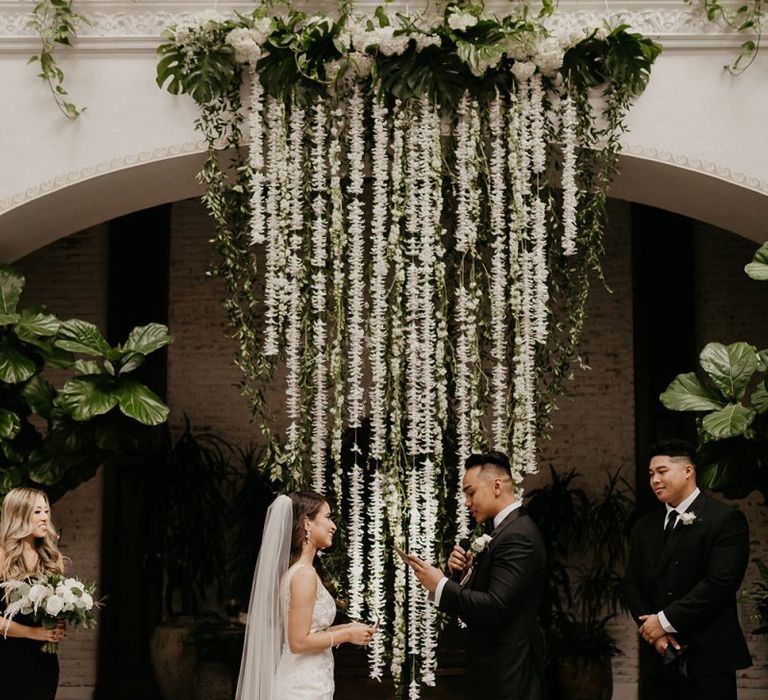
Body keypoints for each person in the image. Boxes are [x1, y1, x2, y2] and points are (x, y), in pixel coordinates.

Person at [409, 451, 547, 699]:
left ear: (496, 486)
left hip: (509, 674)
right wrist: (461, 575)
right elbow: (486, 601)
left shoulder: (518, 535)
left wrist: (440, 585)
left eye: (470, 492)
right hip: (493, 671)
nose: (466, 502)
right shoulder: (503, 530)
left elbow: (495, 607)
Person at [624, 438, 752, 700]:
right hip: (659, 655)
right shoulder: (644, 526)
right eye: (651, 474)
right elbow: (631, 583)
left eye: (662, 471)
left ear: (688, 471)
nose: (654, 480)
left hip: (709, 656)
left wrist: (664, 622)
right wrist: (654, 634)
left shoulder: (725, 519)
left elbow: (721, 582)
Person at [235, 491, 374, 700]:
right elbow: (298, 642)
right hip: (302, 689)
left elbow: (310, 629)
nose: (333, 525)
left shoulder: (302, 572)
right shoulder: (304, 575)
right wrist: (346, 636)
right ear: (307, 523)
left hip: (311, 683)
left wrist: (348, 627)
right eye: (327, 517)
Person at [0, 487, 67, 700]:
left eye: (46, 511)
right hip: (7, 662)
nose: (45, 518)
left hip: (44, 664)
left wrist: (57, 624)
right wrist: (34, 633)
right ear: (19, 514)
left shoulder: (52, 558)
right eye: (37, 512)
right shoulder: (2, 557)